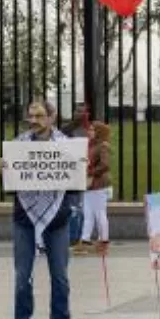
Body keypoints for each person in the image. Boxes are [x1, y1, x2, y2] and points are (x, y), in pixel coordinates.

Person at [11, 100, 81, 319]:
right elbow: (12, 186)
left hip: (57, 219)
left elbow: (75, 182)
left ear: (52, 118)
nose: (34, 120)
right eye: (31, 115)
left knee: (60, 277)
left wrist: (73, 207)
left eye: (40, 116)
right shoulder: (17, 146)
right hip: (24, 219)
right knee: (22, 277)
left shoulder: (66, 146)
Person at [77, 121, 112, 256]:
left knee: (99, 213)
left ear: (99, 132)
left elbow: (105, 165)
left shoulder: (102, 146)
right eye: (89, 129)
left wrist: (89, 172)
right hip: (91, 185)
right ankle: (85, 241)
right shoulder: (92, 145)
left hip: (98, 184)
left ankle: (104, 241)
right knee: (89, 214)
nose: (89, 131)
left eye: (93, 130)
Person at [63, 103, 92, 253]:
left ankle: (79, 238)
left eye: (83, 111)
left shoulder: (89, 130)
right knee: (73, 207)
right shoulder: (66, 130)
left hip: (85, 173)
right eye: (78, 111)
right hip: (70, 174)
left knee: (82, 208)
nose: (80, 114)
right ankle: (72, 240)